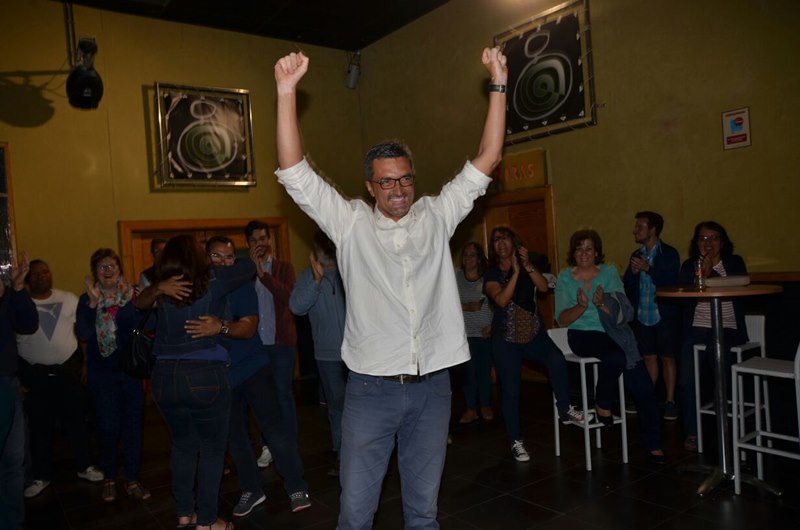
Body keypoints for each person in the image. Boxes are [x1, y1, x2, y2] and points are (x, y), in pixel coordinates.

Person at [273, 46, 507, 528]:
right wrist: (285, 92)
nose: (398, 190)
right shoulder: (349, 224)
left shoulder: (437, 215)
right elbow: (295, 172)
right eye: (386, 183)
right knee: (356, 516)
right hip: (370, 391)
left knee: (423, 514)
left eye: (404, 180)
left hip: (433, 388)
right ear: (369, 187)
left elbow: (489, 156)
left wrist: (498, 84)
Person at [136, 235, 255, 530]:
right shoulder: (214, 279)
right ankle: (207, 520)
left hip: (164, 378)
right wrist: (219, 262)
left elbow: (138, 304)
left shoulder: (161, 287)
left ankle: (184, 513)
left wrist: (158, 287)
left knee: (182, 445)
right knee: (212, 448)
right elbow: (249, 266)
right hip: (204, 374)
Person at [194, 236, 309, 517]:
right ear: (206, 258)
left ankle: (296, 486)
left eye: (229, 257)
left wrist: (220, 327)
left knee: (274, 429)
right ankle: (252, 489)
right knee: (235, 437)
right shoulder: (202, 290)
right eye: (216, 256)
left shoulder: (241, 284)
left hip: (254, 368)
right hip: (222, 375)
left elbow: (248, 328)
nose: (223, 262)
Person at [555, 229, 666, 464]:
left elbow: (624, 309)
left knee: (645, 387)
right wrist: (581, 307)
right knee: (617, 356)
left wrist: (604, 306)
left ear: (597, 253)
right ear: (573, 253)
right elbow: (562, 319)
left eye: (589, 248)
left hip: (615, 334)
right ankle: (603, 402)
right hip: (582, 335)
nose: (584, 253)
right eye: (579, 248)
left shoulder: (609, 272)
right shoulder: (564, 277)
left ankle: (654, 442)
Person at [484, 227, 583, 462]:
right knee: (511, 390)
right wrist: (515, 273)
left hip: (533, 332)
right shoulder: (491, 274)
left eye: (504, 239)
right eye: (496, 240)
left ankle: (565, 408)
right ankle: (515, 440)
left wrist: (526, 265)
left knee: (556, 358)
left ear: (514, 242)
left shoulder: (528, 264)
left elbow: (543, 287)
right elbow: (501, 300)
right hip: (506, 338)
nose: (500, 243)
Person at [17, 260, 103, 499]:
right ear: (27, 279)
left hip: (67, 372)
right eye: (35, 274)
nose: (41, 276)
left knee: (77, 421)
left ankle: (84, 466)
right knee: (39, 427)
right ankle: (41, 475)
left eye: (45, 271)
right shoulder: (20, 303)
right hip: (35, 375)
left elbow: (81, 332)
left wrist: (86, 362)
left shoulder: (68, 299)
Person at [74, 249, 151, 503]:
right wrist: (94, 304)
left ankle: (132, 479)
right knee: (107, 427)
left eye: (111, 265)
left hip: (130, 371)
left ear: (120, 269)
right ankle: (109, 478)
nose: (107, 270)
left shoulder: (134, 296)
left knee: (133, 427)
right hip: (102, 373)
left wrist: (132, 304)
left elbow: (143, 325)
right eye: (101, 267)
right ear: (95, 272)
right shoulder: (86, 300)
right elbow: (83, 333)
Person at [677, 220, 748, 452]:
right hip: (698, 326)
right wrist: (701, 271)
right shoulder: (689, 266)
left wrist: (710, 271)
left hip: (728, 327)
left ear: (722, 242)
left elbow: (741, 285)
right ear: (696, 243)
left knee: (717, 351)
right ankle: (692, 431)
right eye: (703, 238)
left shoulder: (734, 262)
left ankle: (725, 414)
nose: (708, 243)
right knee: (686, 376)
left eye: (714, 238)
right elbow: (684, 293)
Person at [289, 229, 348, 477]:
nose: (326, 252)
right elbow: (296, 307)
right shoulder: (307, 276)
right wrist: (316, 281)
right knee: (337, 408)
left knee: (366, 407)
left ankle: (368, 454)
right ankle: (343, 458)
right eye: (322, 248)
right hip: (327, 356)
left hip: (359, 353)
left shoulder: (350, 271)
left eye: (329, 246)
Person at [244, 220, 297, 474]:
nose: (260, 244)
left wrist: (264, 276)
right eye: (254, 240)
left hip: (281, 343)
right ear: (248, 243)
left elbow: (289, 298)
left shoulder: (284, 268)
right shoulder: (243, 271)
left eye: (263, 238)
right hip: (255, 345)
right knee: (262, 399)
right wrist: (252, 271)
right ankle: (268, 446)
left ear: (270, 240)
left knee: (283, 395)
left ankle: (289, 446)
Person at [622, 212, 681, 420]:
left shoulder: (669, 253)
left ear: (653, 229)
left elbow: (672, 281)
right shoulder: (636, 254)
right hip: (642, 313)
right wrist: (633, 274)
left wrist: (649, 269)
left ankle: (670, 401)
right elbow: (627, 285)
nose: (635, 231)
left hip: (664, 313)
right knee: (648, 356)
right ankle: (647, 399)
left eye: (640, 227)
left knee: (668, 357)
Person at [0, 253, 37, 530]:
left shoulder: (7, 293)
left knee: (13, 461)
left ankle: (13, 523)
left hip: (7, 383)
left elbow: (28, 323)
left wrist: (18, 287)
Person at [454, 241, 494, 424]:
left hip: (484, 333)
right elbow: (449, 302)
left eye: (472, 255)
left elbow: (493, 304)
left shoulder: (487, 278)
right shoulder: (456, 277)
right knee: (468, 373)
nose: (468, 259)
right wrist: (467, 306)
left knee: (484, 371)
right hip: (464, 334)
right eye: (465, 255)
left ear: (479, 259)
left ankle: (485, 405)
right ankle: (471, 409)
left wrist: (492, 326)